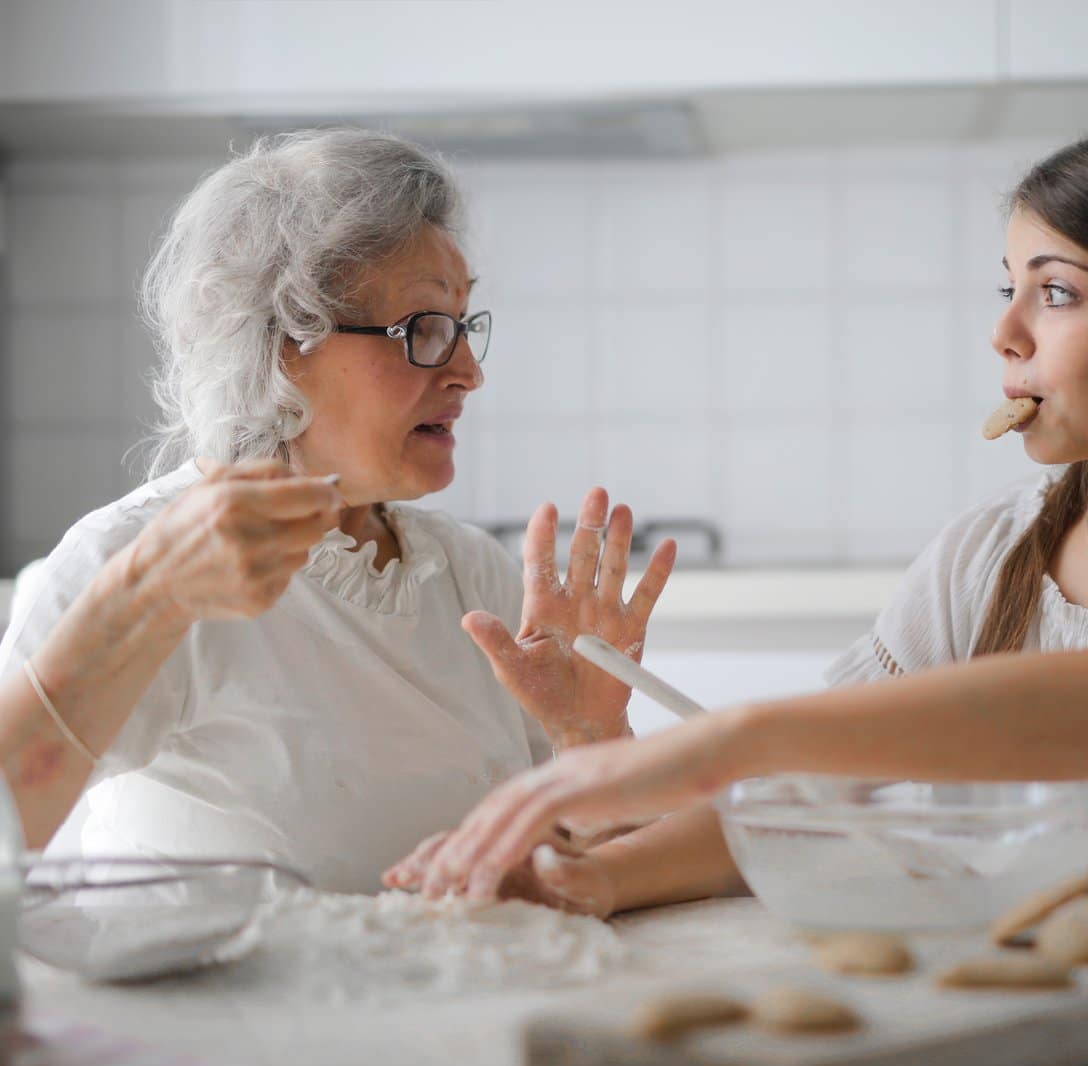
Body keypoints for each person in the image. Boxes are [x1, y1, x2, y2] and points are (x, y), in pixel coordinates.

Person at [390, 117, 1088, 906]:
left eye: (1058, 291)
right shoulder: (989, 554)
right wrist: (598, 881)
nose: (1006, 336)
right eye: (1007, 289)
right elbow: (817, 793)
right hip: (1077, 1040)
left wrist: (738, 735)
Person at [0, 129, 674, 893]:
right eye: (423, 329)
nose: (469, 371)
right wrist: (144, 599)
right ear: (284, 343)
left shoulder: (473, 575)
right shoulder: (131, 557)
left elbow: (590, 877)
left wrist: (592, 739)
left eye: (463, 325)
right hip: (222, 1012)